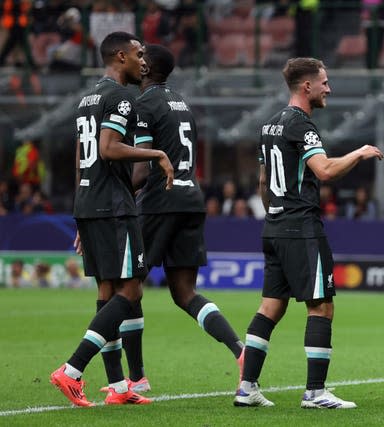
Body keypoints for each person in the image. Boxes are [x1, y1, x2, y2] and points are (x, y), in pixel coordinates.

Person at [234, 57, 383, 408]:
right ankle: (315, 392)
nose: (328, 88)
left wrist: (275, 213)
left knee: (270, 307)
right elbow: (326, 170)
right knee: (321, 307)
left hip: (274, 225)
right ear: (307, 87)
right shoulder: (302, 126)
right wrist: (360, 153)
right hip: (301, 227)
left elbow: (263, 183)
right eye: (324, 82)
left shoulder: (268, 125)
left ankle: (246, 388)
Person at [49, 31, 174, 407]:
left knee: (107, 293)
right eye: (138, 55)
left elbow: (80, 158)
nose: (144, 62)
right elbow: (107, 149)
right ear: (120, 57)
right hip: (114, 206)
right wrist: (157, 156)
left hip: (89, 202)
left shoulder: (87, 98)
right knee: (131, 290)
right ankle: (71, 370)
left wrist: (80, 214)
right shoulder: (121, 97)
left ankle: (119, 386)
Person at [132, 44, 245, 381]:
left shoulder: (143, 104)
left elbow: (139, 171)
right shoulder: (182, 104)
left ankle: (134, 377)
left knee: (127, 286)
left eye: (141, 58)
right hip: (190, 198)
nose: (137, 61)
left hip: (159, 201)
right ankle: (240, 350)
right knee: (185, 293)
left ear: (147, 67)